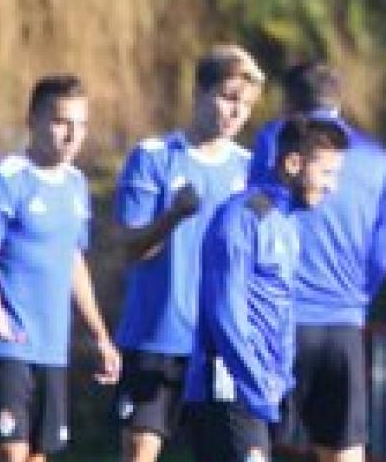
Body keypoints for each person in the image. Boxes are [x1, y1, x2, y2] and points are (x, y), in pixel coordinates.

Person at [112, 44, 264, 462]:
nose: (237, 112)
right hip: (156, 338)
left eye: (247, 105)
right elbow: (130, 248)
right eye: (229, 98)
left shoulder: (252, 171)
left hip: (220, 346)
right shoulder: (153, 158)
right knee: (141, 450)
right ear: (199, 93)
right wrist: (173, 216)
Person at [248, 61, 386, 462]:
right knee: (344, 449)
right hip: (344, 325)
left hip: (280, 322)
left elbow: (250, 222)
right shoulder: (378, 159)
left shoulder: (274, 141)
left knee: (256, 444)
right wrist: (354, 299)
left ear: (289, 102)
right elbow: (380, 255)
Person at [182, 115, 350, 462]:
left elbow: (279, 310)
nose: (333, 186)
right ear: (292, 163)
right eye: (326, 173)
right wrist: (258, 386)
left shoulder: (286, 223)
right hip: (230, 386)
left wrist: (282, 383)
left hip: (263, 390)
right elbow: (225, 314)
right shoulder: (242, 218)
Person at [0, 74, 122, 462]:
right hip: (5, 343)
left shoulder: (76, 186)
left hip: (52, 347)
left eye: (81, 125)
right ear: (34, 121)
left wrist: (101, 336)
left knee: (39, 455)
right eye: (61, 122)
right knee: (10, 452)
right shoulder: (5, 181)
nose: (72, 135)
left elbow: (74, 263)